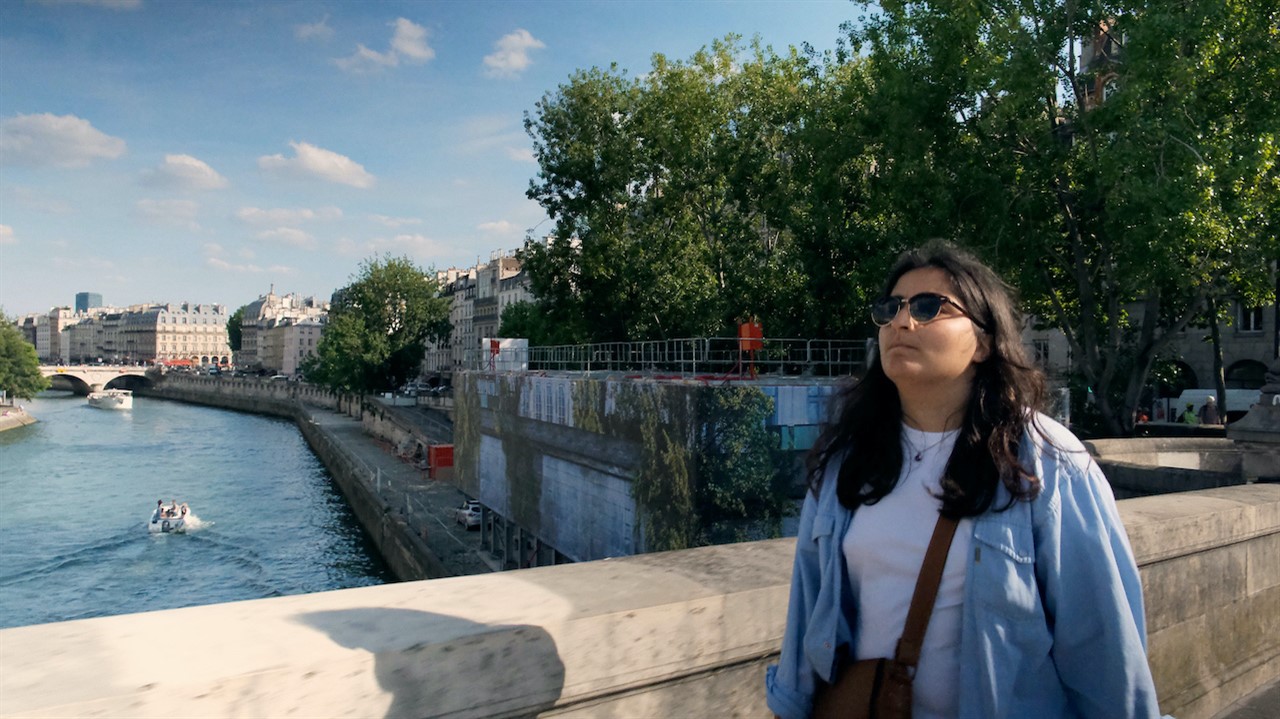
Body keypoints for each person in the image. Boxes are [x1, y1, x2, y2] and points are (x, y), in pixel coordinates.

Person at [765, 243, 1163, 719]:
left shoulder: (1047, 462)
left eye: (929, 307)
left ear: (985, 341)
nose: (902, 323)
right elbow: (808, 615)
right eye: (890, 308)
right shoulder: (844, 462)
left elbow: (1101, 644)